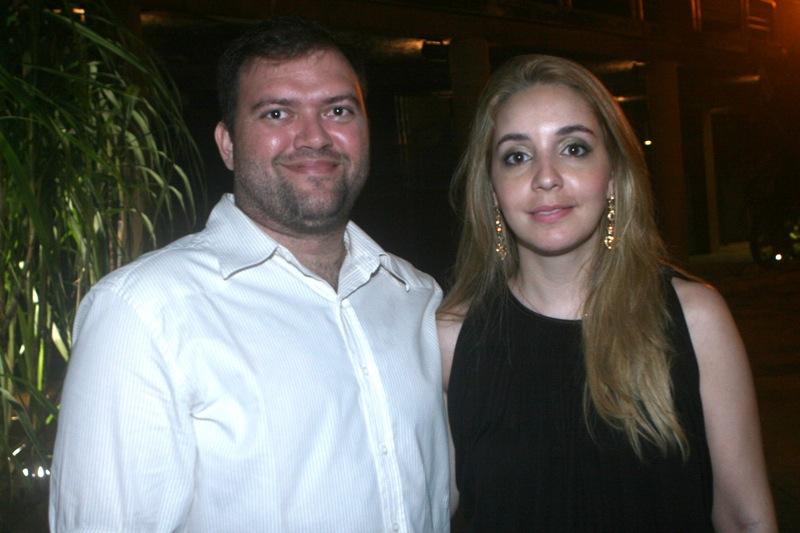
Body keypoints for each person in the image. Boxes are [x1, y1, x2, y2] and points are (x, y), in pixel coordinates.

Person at [50, 17, 450, 532]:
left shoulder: (417, 298)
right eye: (277, 113)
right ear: (228, 144)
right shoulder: (144, 313)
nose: (314, 137)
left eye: (338, 110)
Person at [438, 54, 777, 532]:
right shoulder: (452, 339)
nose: (546, 176)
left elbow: (746, 520)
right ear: (493, 190)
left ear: (614, 173)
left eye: (573, 148)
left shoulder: (694, 317)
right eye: (517, 156)